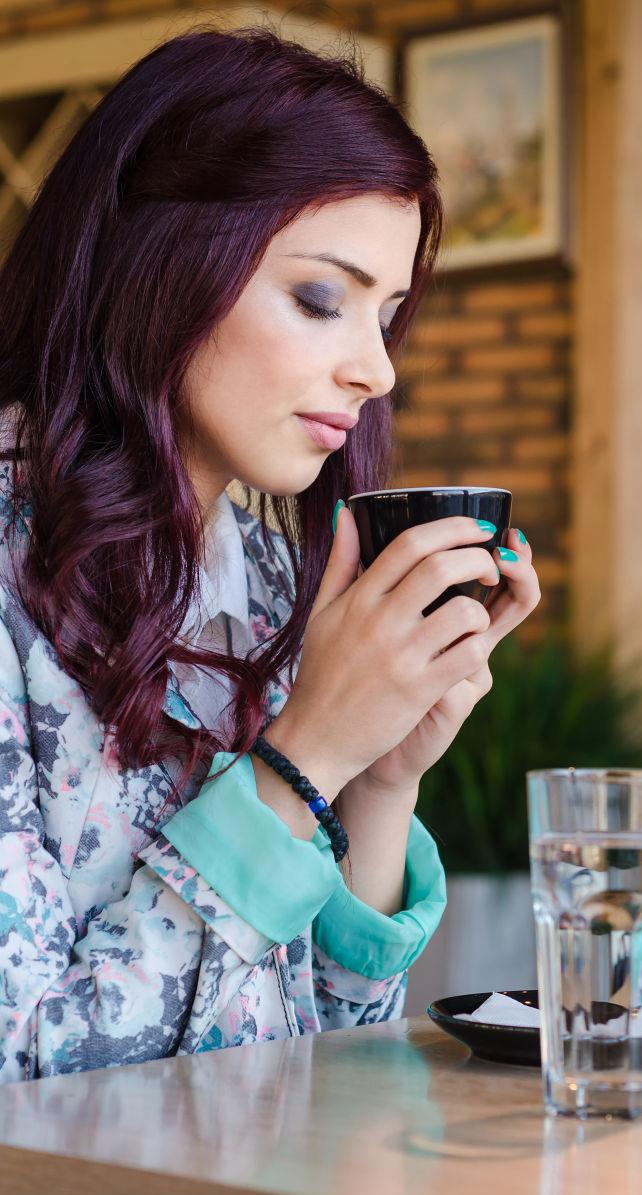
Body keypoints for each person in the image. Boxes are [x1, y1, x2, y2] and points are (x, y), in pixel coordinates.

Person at [0, 25, 540, 1081]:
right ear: (157, 263)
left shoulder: (269, 567)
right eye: (319, 298)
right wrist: (302, 765)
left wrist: (382, 772)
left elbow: (327, 1037)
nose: (376, 370)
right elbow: (22, 1069)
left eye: (388, 315)